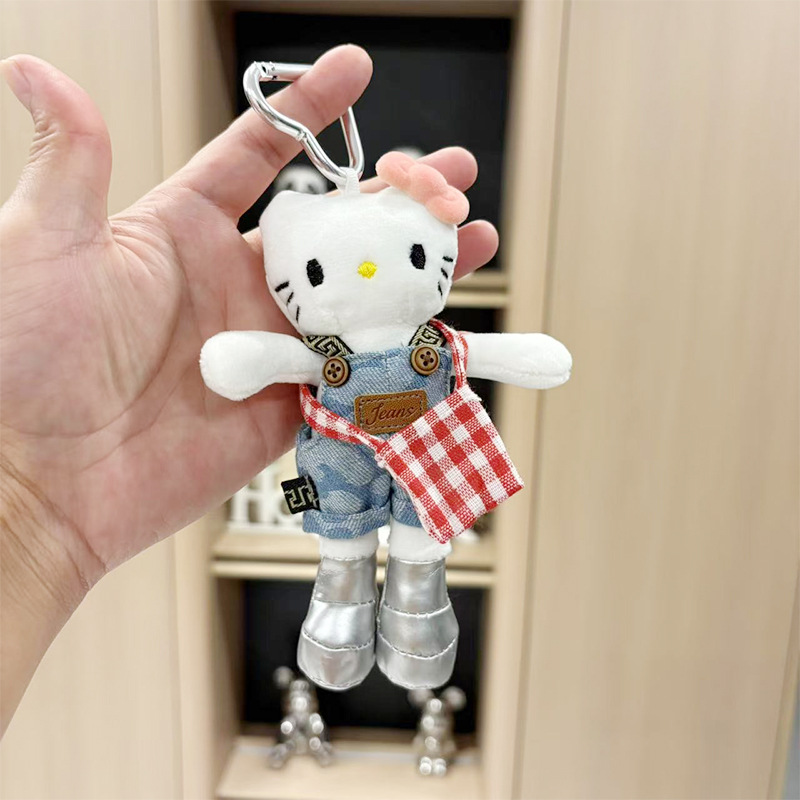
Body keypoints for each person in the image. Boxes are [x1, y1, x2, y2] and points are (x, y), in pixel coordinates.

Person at [0, 45, 499, 734]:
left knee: (422, 540)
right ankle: (344, 608)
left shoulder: (432, 343)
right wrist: (20, 502)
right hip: (343, 465)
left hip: (427, 457)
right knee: (343, 543)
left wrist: (25, 516)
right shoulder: (324, 349)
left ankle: (418, 606)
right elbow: (270, 357)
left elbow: (485, 351)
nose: (362, 272)